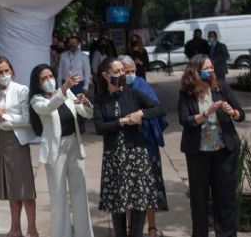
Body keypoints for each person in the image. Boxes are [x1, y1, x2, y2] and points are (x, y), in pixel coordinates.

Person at [94, 57, 165, 237]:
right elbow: (100, 128)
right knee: (118, 203)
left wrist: (142, 113)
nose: (122, 75)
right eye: (117, 72)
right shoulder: (100, 99)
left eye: (123, 72)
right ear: (105, 75)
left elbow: (159, 108)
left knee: (139, 202)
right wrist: (122, 121)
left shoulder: (133, 94)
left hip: (136, 154)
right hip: (114, 157)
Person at [178, 54, 245, 237]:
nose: (210, 71)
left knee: (225, 198)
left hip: (224, 151)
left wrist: (233, 112)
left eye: (211, 68)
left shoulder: (220, 86)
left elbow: (241, 114)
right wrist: (206, 113)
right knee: (199, 199)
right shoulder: (187, 92)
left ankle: (226, 234)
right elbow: (185, 120)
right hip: (198, 153)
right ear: (195, 71)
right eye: (205, 69)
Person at [29, 64, 94, 237]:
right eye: (43, 78)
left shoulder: (65, 93)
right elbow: (49, 107)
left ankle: (84, 233)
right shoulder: (37, 100)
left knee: (80, 194)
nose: (48, 80)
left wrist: (86, 103)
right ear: (38, 82)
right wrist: (64, 88)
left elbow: (86, 113)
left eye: (50, 76)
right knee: (58, 197)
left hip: (74, 145)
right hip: (55, 151)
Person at [0, 56, 38, 237]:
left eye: (7, 71)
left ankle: (32, 229)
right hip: (1, 142)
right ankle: (15, 228)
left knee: (25, 188)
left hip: (17, 141)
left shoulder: (21, 90)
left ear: (12, 71)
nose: (4, 74)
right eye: (0, 72)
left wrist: (4, 115)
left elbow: (27, 119)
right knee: (11, 188)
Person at [120, 55, 169, 237]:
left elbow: (159, 110)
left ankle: (152, 228)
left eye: (132, 71)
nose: (130, 75)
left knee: (149, 187)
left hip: (146, 144)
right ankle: (128, 229)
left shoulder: (142, 86)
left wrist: (141, 114)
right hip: (125, 145)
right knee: (127, 188)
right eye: (126, 72)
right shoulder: (117, 90)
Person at [57, 36, 91, 132]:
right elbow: (59, 71)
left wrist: (86, 86)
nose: (72, 44)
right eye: (70, 42)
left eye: (75, 42)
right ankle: (69, 127)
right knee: (66, 105)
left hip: (78, 84)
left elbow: (87, 72)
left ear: (78, 44)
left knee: (79, 104)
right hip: (66, 83)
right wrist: (60, 85)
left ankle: (80, 126)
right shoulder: (63, 55)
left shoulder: (84, 56)